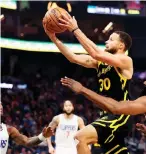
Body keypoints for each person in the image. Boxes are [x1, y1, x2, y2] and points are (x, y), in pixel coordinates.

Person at [43, 13, 133, 154]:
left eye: (111, 40)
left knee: (79, 137)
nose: (106, 42)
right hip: (106, 115)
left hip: (120, 115)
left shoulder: (125, 61)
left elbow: (95, 53)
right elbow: (73, 58)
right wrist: (53, 38)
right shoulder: (100, 63)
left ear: (121, 45)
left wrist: (75, 29)